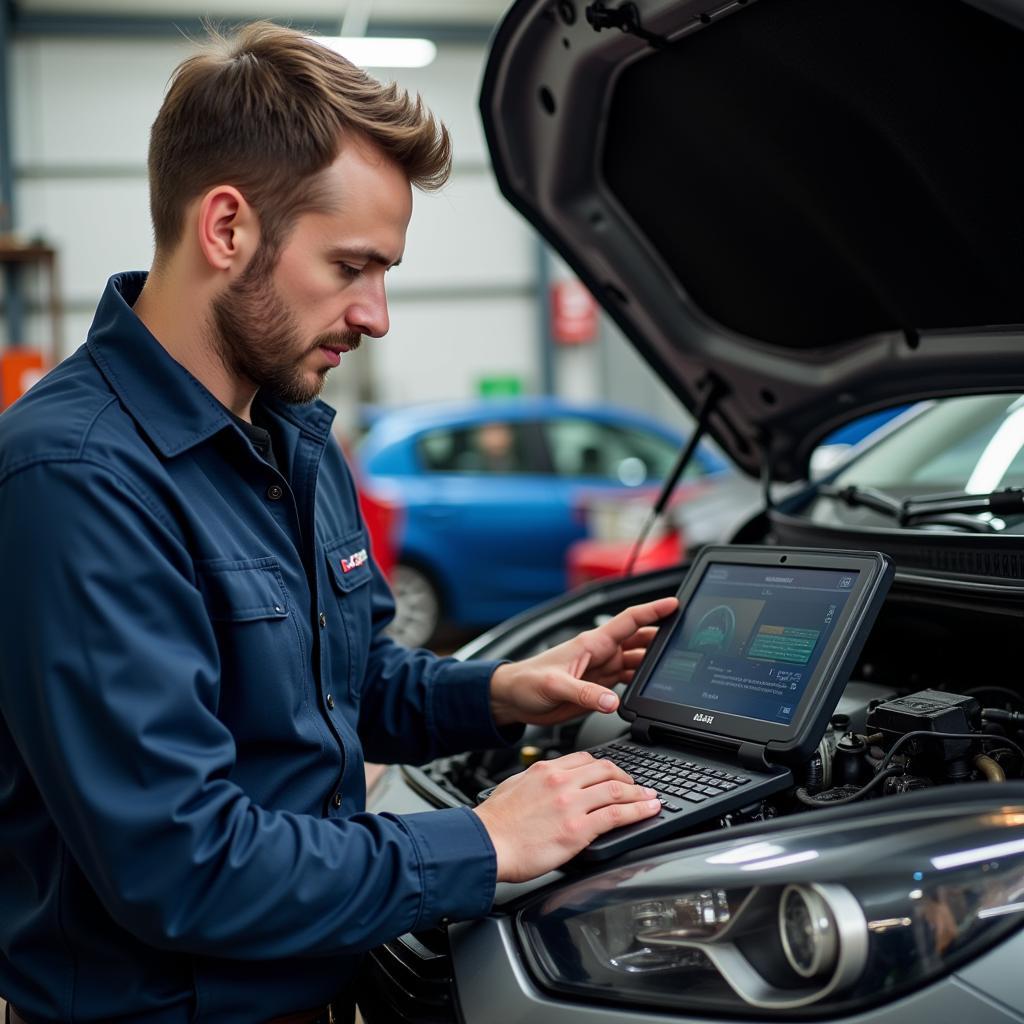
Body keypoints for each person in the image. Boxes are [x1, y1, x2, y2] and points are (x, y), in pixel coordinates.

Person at [0, 23, 677, 1024]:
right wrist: (485, 841)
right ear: (226, 228)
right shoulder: (76, 476)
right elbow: (181, 863)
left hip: (322, 986)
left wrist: (502, 690)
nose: (377, 314)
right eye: (352, 266)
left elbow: (337, 680)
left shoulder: (291, 440)